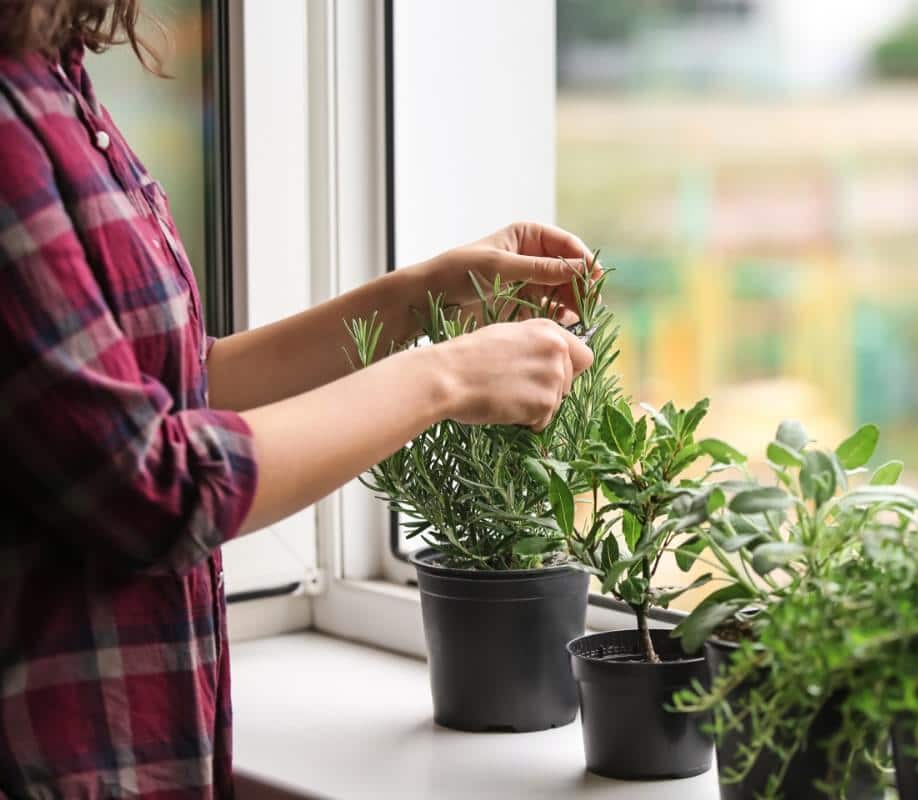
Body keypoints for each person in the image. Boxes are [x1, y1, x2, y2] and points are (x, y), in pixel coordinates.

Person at [0, 2, 594, 797]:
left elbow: (174, 387)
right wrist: (446, 378)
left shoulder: (56, 81)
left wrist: (418, 298)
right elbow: (148, 485)